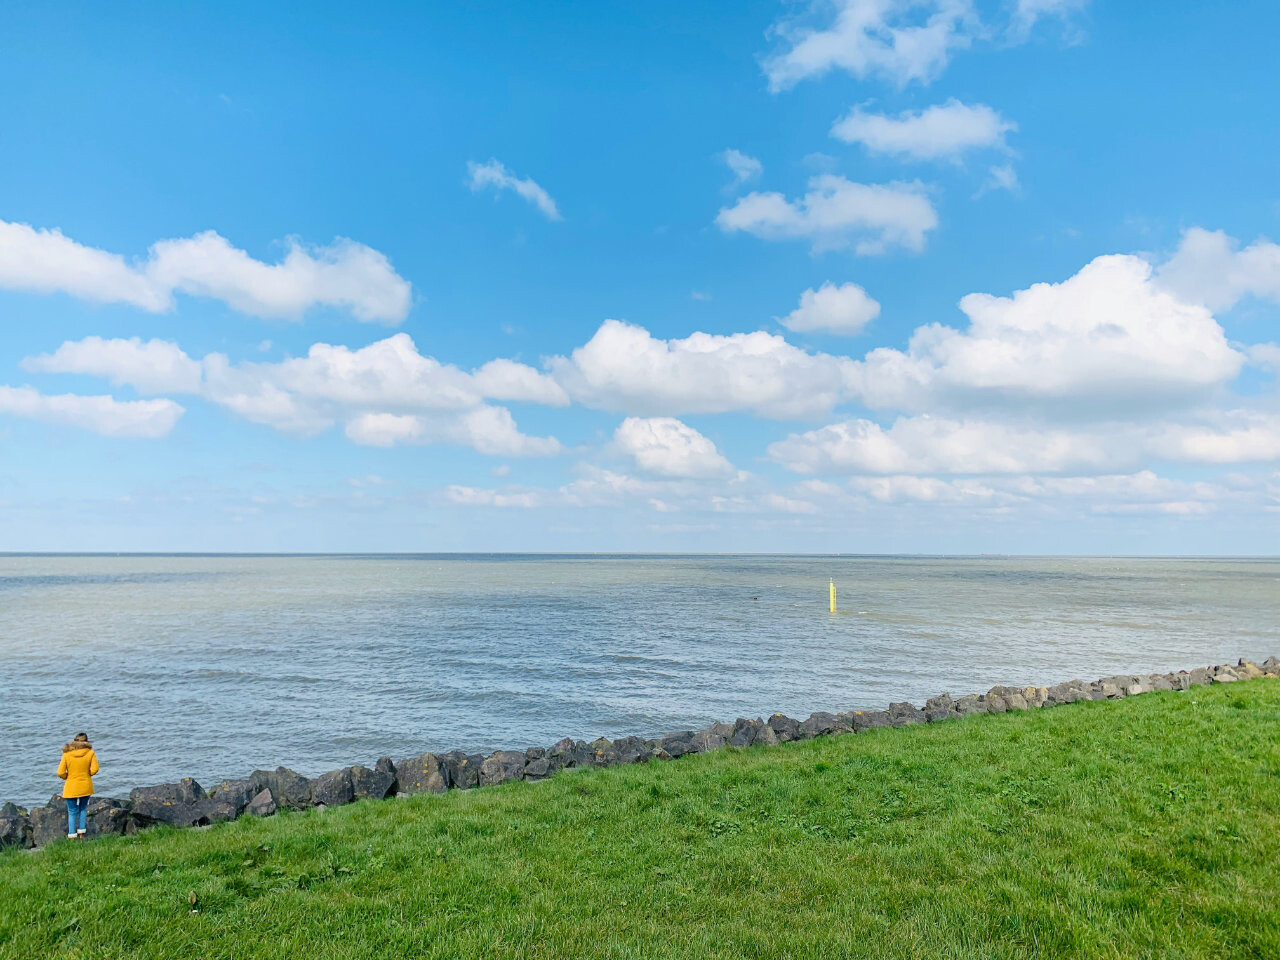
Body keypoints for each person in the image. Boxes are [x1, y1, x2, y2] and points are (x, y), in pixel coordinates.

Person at [57, 733, 99, 839]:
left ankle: (72, 835)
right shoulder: (90, 753)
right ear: (87, 742)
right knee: (83, 808)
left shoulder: (67, 754)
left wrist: (68, 776)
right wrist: (87, 774)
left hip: (71, 786)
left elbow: (60, 772)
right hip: (85, 785)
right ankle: (81, 833)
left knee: (72, 811)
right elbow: (95, 769)